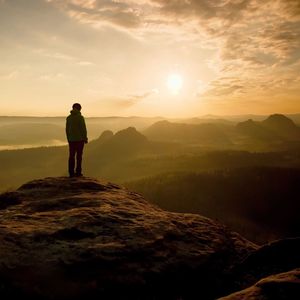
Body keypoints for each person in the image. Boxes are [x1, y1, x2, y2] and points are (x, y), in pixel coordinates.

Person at [66, 103, 88, 177]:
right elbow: (83, 129)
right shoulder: (80, 117)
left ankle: (71, 173)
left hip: (71, 140)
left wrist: (68, 139)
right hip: (79, 140)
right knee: (79, 156)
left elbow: (67, 130)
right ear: (79, 108)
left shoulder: (68, 118)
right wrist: (85, 138)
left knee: (71, 156)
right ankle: (78, 172)